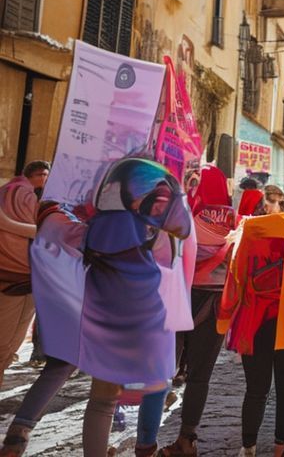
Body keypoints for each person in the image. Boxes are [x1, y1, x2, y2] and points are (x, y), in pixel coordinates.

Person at [25, 158, 193, 456]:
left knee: (102, 402)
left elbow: (56, 231)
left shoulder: (93, 228)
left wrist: (58, 207)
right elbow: (181, 250)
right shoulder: (160, 231)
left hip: (103, 322)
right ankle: (146, 447)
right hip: (148, 323)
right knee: (157, 386)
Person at [217, 187, 284, 457]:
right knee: (263, 388)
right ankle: (251, 446)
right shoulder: (254, 233)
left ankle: (277, 446)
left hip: (271, 319)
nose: (273, 206)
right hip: (267, 319)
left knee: (282, 386)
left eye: (277, 202)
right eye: (269, 202)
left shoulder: (249, 233)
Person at [159, 165, 235, 457]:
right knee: (200, 376)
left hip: (180, 298)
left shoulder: (183, 216)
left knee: (163, 370)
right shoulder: (233, 222)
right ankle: (187, 438)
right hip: (216, 306)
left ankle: (147, 438)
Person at [0, 160, 49, 386]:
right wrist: (9, 224)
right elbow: (44, 232)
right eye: (46, 176)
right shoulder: (24, 195)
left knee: (8, 342)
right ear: (38, 175)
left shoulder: (7, 190)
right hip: (18, 276)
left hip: (14, 274)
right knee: (6, 343)